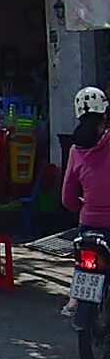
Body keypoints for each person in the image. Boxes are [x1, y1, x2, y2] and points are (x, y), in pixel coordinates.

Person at [62, 86, 110, 315]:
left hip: (88, 223)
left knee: (83, 262)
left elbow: (67, 197)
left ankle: (74, 299)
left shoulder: (75, 150)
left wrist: (81, 207)